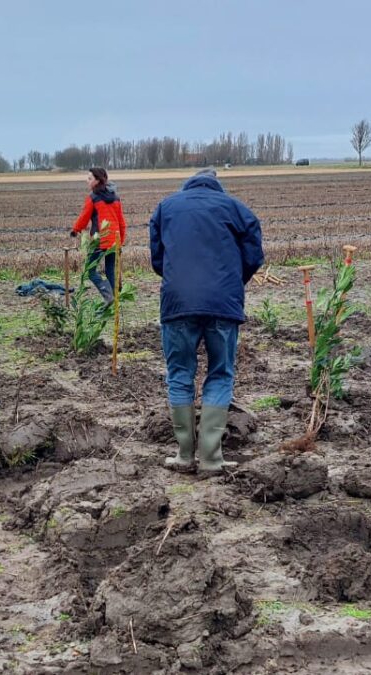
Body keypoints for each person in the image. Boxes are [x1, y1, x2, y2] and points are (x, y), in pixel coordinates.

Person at [148, 168, 264, 473]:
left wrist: (177, 278)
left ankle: (184, 455)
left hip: (177, 303)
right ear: (217, 186)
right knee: (221, 373)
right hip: (222, 304)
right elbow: (253, 255)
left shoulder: (166, 207)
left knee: (179, 373)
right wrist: (233, 280)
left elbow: (157, 258)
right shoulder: (236, 208)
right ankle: (211, 459)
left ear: (187, 185)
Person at [70, 167, 128, 303]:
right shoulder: (116, 198)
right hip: (114, 240)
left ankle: (109, 296)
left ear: (97, 181)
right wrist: (121, 242)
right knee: (109, 270)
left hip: (99, 240)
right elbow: (122, 223)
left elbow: (84, 218)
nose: (87, 181)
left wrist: (75, 230)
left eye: (90, 178)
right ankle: (116, 300)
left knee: (90, 271)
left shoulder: (93, 198)